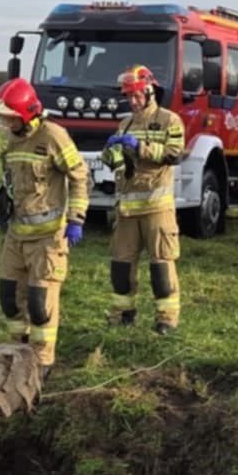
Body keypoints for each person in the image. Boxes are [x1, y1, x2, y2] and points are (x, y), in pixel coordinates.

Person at [0, 77, 88, 378]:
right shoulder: (12, 140)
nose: (6, 122)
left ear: (26, 112)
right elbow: (12, 178)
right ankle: (19, 351)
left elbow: (79, 176)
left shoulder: (53, 136)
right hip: (16, 235)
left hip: (48, 237)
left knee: (40, 304)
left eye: (9, 117)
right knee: (9, 297)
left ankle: (43, 362)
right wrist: (4, 198)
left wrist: (76, 219)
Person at [100, 65, 185, 334]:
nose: (132, 101)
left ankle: (166, 319)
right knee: (121, 267)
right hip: (127, 210)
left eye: (136, 95)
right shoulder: (125, 123)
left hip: (157, 207)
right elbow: (117, 164)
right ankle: (123, 314)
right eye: (128, 97)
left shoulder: (169, 120)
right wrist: (110, 152)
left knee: (161, 267)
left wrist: (140, 147)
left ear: (149, 91)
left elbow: (174, 154)